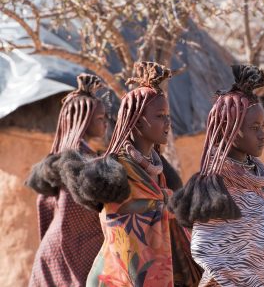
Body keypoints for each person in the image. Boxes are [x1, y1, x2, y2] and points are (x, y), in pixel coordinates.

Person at [171, 65, 264, 287]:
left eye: (263, 126)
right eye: (254, 127)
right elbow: (207, 248)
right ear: (228, 129)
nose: (262, 134)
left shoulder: (257, 182)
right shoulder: (216, 191)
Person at [69, 61, 201, 287]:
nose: (168, 122)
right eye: (160, 116)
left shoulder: (157, 169)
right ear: (138, 121)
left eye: (168, 115)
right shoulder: (116, 171)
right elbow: (120, 227)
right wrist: (162, 205)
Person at [26, 74, 107, 286]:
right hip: (64, 259)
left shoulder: (77, 158)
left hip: (60, 255)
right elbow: (77, 214)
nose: (105, 123)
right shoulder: (75, 163)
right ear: (83, 121)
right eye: (100, 119)